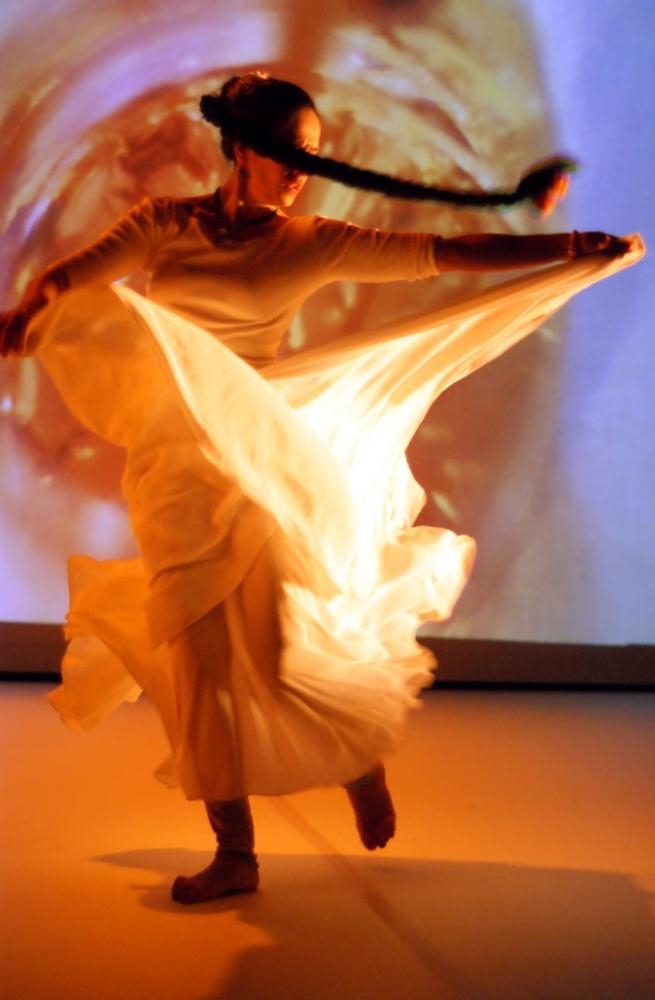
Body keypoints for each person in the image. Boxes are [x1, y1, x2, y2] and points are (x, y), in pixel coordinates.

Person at [0, 72, 639, 905]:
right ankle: (236, 852)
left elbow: (442, 254)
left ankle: (355, 759)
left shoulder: (309, 241)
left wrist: (566, 246)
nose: (301, 173)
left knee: (272, 650)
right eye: (288, 155)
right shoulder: (164, 224)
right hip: (174, 467)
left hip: (259, 459)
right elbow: (75, 277)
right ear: (239, 150)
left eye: (311, 156)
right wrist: (33, 306)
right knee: (196, 658)